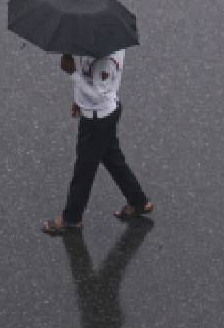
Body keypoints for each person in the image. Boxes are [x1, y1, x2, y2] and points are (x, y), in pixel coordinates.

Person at [42, 50, 153, 236]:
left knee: (84, 169)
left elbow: (97, 93)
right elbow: (94, 81)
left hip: (97, 120)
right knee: (112, 158)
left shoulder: (105, 60)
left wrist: (73, 74)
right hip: (105, 112)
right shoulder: (104, 43)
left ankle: (71, 218)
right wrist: (78, 99)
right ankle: (139, 201)